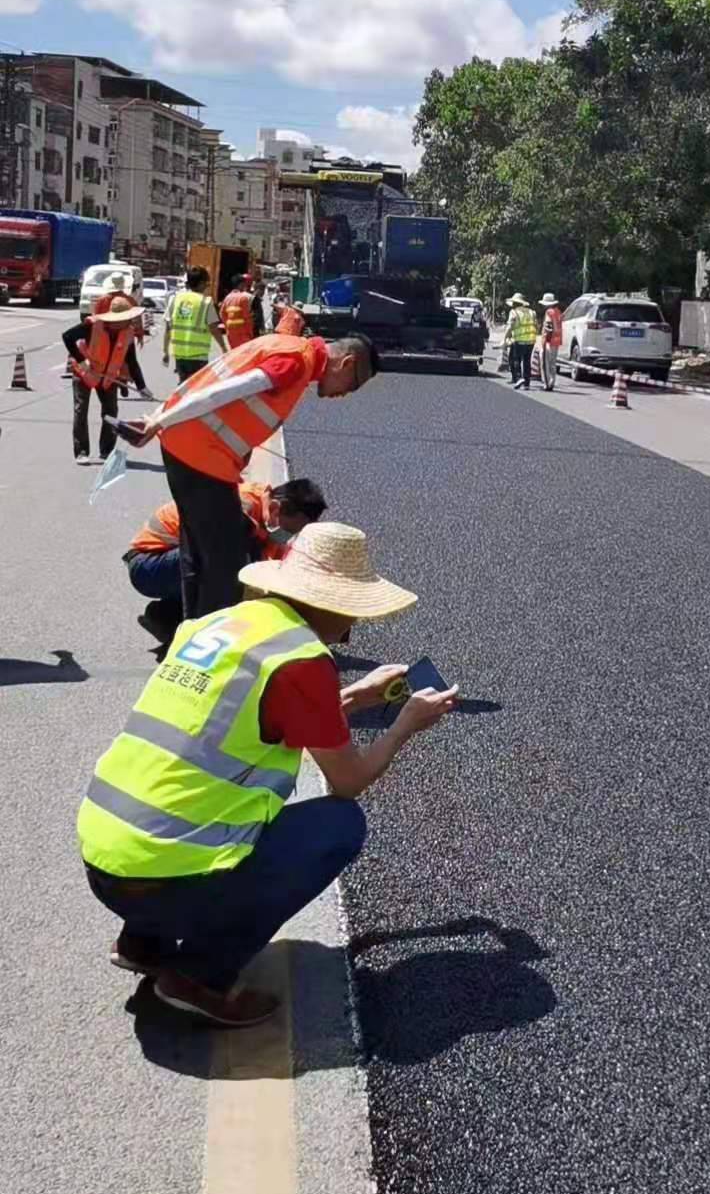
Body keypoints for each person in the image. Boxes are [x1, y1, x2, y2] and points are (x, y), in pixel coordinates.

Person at [77, 521, 458, 1028]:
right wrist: (406, 724)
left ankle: (143, 941)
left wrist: (355, 695)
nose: (352, 628)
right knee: (339, 826)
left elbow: (243, 724)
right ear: (330, 602)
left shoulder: (220, 627)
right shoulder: (302, 660)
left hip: (109, 864)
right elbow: (349, 780)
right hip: (164, 878)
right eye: (351, 610)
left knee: (177, 809)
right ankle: (199, 977)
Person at [123, 312, 379, 619]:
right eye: (351, 386)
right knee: (228, 567)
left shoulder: (289, 347)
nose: (343, 395)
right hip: (201, 458)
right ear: (347, 363)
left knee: (201, 556)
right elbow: (223, 389)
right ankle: (210, 648)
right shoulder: (295, 363)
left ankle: (187, 631)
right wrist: (158, 420)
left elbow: (210, 379)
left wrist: (161, 418)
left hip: (189, 451)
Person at [124, 476, 328, 654]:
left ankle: (165, 616)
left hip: (174, 566)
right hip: (147, 567)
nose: (287, 536)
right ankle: (197, 635)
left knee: (247, 571)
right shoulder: (239, 506)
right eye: (289, 530)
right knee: (235, 564)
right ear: (275, 508)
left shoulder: (268, 519)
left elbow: (283, 568)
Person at [63, 292, 144, 462]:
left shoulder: (127, 333)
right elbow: (67, 337)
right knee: (81, 410)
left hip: (107, 378)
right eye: (126, 318)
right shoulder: (93, 327)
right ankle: (82, 452)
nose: (130, 321)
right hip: (85, 372)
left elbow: (132, 361)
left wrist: (142, 386)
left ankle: (106, 451)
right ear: (116, 318)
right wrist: (81, 360)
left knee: (111, 411)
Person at [164, 267, 227, 382]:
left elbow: (168, 327)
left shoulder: (175, 299)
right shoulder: (206, 302)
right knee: (196, 389)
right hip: (198, 355)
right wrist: (223, 348)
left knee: (184, 384)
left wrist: (165, 351)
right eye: (207, 283)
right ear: (201, 283)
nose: (208, 287)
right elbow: (213, 329)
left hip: (179, 354)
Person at [505, 294, 537, 390]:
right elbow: (536, 325)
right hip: (531, 341)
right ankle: (527, 383)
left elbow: (510, 326)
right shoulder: (532, 312)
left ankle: (518, 378)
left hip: (519, 340)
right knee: (527, 362)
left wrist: (505, 338)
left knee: (516, 360)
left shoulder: (514, 312)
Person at [220, 274, 256, 350]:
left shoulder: (227, 297)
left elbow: (222, 313)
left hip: (231, 333)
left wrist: (227, 326)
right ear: (241, 284)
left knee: (234, 354)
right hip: (242, 333)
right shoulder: (243, 298)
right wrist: (250, 333)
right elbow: (246, 317)